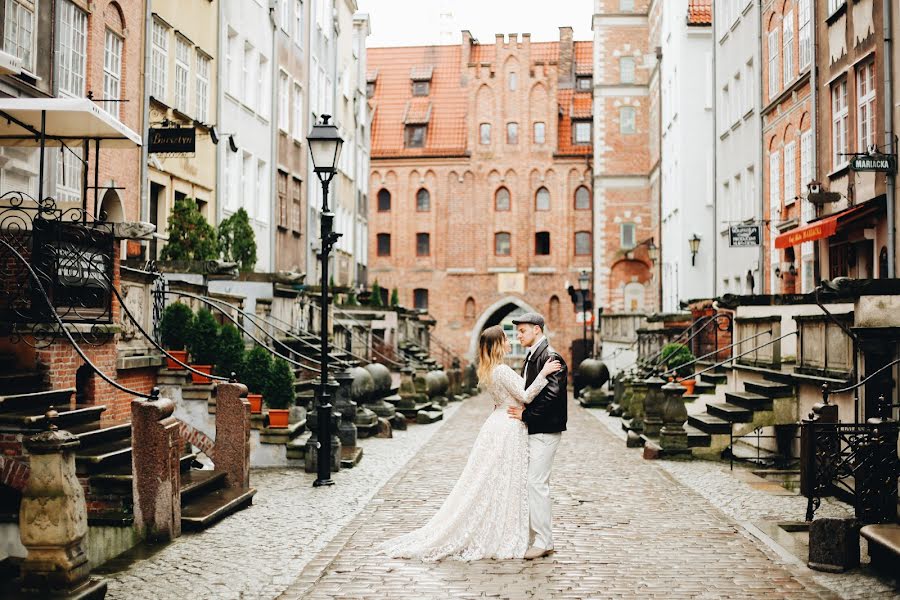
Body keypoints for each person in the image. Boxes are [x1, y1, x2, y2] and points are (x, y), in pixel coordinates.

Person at [379, 325, 562, 562]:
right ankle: (502, 530)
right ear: (498, 345)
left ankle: (506, 524)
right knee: (503, 480)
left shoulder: (489, 369)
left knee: (492, 479)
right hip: (508, 426)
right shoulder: (503, 370)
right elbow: (526, 395)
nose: (510, 342)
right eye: (506, 339)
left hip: (497, 422)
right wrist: (543, 374)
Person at [507, 312, 568, 559]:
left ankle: (544, 541)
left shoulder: (551, 357)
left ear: (536, 330)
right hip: (537, 429)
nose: (518, 335)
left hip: (545, 429)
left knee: (536, 484)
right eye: (518, 331)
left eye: (522, 331)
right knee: (531, 483)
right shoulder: (534, 356)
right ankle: (536, 537)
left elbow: (552, 394)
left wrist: (526, 416)